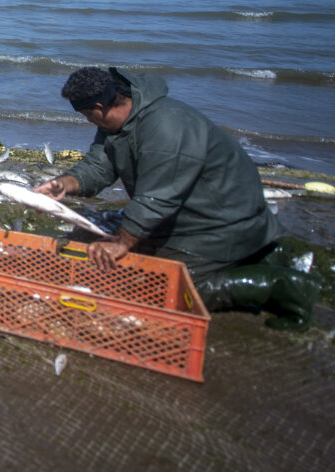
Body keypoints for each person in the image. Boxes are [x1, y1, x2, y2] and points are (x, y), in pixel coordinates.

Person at [36, 66, 319, 331]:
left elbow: (158, 198)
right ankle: (265, 256)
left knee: (168, 291)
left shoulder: (166, 126)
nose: (87, 121)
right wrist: (65, 183)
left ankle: (285, 286)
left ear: (99, 108)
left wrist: (122, 243)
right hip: (182, 214)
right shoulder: (115, 125)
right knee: (104, 245)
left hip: (220, 220)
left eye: (86, 115)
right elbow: (99, 166)